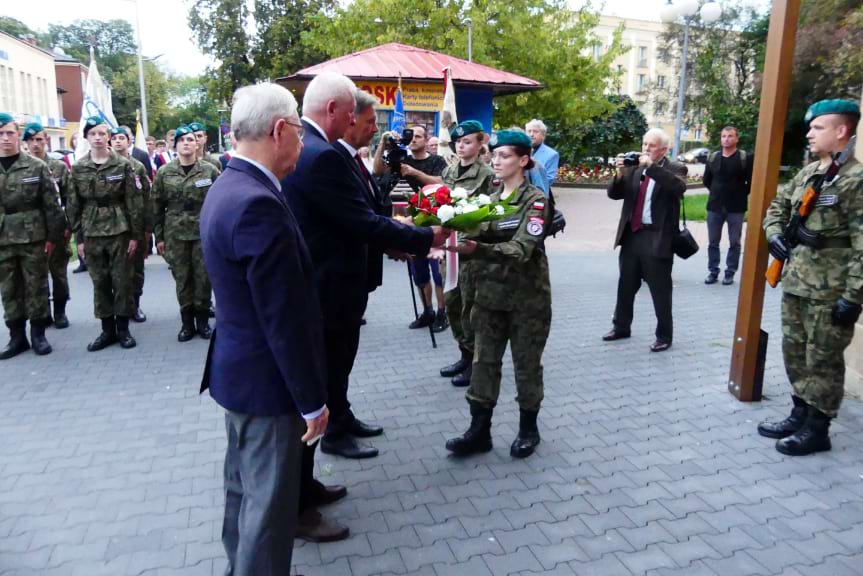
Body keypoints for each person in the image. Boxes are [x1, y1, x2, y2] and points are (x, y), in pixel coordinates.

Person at [283, 72, 446, 539]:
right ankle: (296, 506)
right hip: (327, 289)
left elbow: (363, 214)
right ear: (337, 111)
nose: (366, 124)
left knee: (331, 378)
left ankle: (307, 484)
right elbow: (358, 220)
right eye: (360, 116)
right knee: (317, 390)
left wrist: (399, 237)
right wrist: (423, 238)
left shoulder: (326, 153)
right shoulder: (321, 157)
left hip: (338, 287)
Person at [199, 82, 329, 576]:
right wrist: (311, 401)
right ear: (280, 130)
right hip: (269, 386)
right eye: (298, 129)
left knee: (242, 494)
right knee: (268, 513)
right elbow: (283, 318)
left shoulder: (228, 186)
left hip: (240, 377)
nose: (301, 140)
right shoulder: (258, 202)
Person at [758, 99, 862, 456]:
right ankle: (800, 413)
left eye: (817, 128)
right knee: (795, 352)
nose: (809, 133)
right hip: (798, 282)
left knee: (823, 359)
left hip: (830, 290)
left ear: (841, 131)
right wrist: (774, 235)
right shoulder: (809, 173)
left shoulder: (855, 180)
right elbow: (776, 207)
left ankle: (818, 428)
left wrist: (853, 296)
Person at [444, 130, 552, 458]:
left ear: (523, 160)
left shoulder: (535, 201)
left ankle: (528, 429)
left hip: (525, 302)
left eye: (504, 155)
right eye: (495, 155)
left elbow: (521, 248)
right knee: (483, 363)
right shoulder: (489, 201)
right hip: (489, 298)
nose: (496, 160)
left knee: (526, 366)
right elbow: (471, 231)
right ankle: (479, 431)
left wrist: (478, 249)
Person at [602, 128, 687, 353]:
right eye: (644, 144)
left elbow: (678, 188)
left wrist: (652, 168)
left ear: (663, 149)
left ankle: (664, 335)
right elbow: (614, 194)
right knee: (625, 285)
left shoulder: (675, 168)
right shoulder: (634, 167)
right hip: (632, 235)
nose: (645, 149)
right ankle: (621, 327)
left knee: (660, 290)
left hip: (657, 237)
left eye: (651, 145)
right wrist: (620, 174)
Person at [67, 116, 143, 351]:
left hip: (119, 229)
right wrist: (78, 238)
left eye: (102, 133)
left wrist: (135, 235)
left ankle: (123, 329)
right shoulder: (79, 167)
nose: (98, 138)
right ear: (87, 138)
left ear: (108, 136)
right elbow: (73, 204)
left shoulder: (122, 165)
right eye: (93, 134)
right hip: (91, 231)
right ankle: (106, 330)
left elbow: (134, 201)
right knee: (99, 282)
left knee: (121, 280)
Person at [0, 114, 65, 358]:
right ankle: (16, 336)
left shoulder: (36, 166)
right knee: (8, 288)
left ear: (18, 136)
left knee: (36, 286)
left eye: (9, 133)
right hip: (3, 237)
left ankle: (38, 334)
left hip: (33, 236)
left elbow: (52, 206)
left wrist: (52, 238)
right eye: (1, 134)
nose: (5, 138)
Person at [374, 125, 448, 331]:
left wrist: (415, 173)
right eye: (411, 136)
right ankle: (427, 311)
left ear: (426, 140)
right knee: (418, 269)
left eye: (418, 136)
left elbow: (441, 183)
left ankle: (443, 313)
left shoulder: (436, 161)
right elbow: (379, 171)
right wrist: (383, 144)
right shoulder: (400, 158)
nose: (413, 139)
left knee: (437, 270)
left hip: (433, 220)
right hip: (409, 220)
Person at [439, 120, 495, 388]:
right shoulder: (449, 171)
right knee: (452, 302)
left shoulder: (487, 174)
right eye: (458, 142)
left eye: (468, 141)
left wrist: (472, 227)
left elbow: (493, 212)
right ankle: (463, 354)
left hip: (472, 250)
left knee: (471, 308)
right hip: (449, 249)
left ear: (480, 143)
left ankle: (476, 363)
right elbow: (441, 204)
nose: (462, 146)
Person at [152, 125, 218, 341]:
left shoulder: (209, 170)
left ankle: (202, 322)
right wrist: (159, 237)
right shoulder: (164, 172)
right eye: (182, 140)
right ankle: (187, 324)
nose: (186, 143)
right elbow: (156, 206)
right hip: (176, 233)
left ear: (197, 143)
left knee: (203, 278)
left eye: (190, 139)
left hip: (202, 231)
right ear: (174, 144)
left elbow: (221, 201)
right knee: (182, 279)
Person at [22, 122, 72, 328]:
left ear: (46, 141)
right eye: (31, 140)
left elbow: (69, 198)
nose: (35, 144)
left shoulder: (58, 166)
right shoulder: (22, 167)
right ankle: (42, 314)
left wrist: (68, 225)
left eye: (39, 140)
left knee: (58, 273)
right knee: (34, 276)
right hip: (29, 230)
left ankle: (60, 311)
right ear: (25, 142)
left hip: (56, 227)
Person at [110, 127, 152, 323]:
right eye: (114, 138)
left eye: (122, 138)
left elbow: (146, 197)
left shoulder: (138, 166)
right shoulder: (104, 166)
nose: (118, 141)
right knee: (115, 272)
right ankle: (119, 310)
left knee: (136, 269)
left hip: (135, 225)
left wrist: (147, 228)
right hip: (112, 226)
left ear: (129, 141)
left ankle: (135, 305)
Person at [704, 126, 753, 285]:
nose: (726, 139)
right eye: (724, 136)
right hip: (715, 206)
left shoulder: (744, 158)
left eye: (730, 136)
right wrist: (717, 192)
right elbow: (707, 180)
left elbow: (750, 182)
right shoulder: (713, 157)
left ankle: (730, 272)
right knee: (713, 242)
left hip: (736, 207)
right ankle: (713, 271)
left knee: (735, 242)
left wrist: (738, 193)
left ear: (736, 139)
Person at [526, 119, 559, 189]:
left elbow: (549, 179)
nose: (531, 134)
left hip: (538, 194)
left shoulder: (552, 154)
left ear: (543, 135)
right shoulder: (519, 150)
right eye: (529, 131)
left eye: (535, 131)